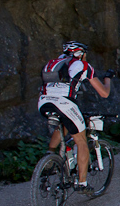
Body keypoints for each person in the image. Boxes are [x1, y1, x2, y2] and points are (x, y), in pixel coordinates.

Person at [38, 41, 114, 194]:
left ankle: (50, 158)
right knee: (81, 140)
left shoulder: (53, 64)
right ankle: (82, 183)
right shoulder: (84, 66)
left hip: (43, 102)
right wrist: (108, 79)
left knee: (66, 123)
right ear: (81, 53)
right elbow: (104, 93)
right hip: (64, 103)